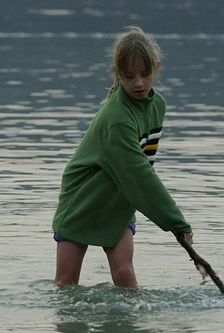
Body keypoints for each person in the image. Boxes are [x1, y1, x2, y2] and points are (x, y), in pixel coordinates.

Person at [52, 26, 194, 288]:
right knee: (65, 285)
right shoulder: (117, 119)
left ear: (157, 67)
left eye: (145, 74)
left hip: (120, 196)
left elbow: (142, 166)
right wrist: (176, 222)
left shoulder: (157, 105)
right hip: (83, 198)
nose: (139, 83)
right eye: (129, 76)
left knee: (125, 273)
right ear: (117, 74)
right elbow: (139, 175)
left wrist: (172, 220)